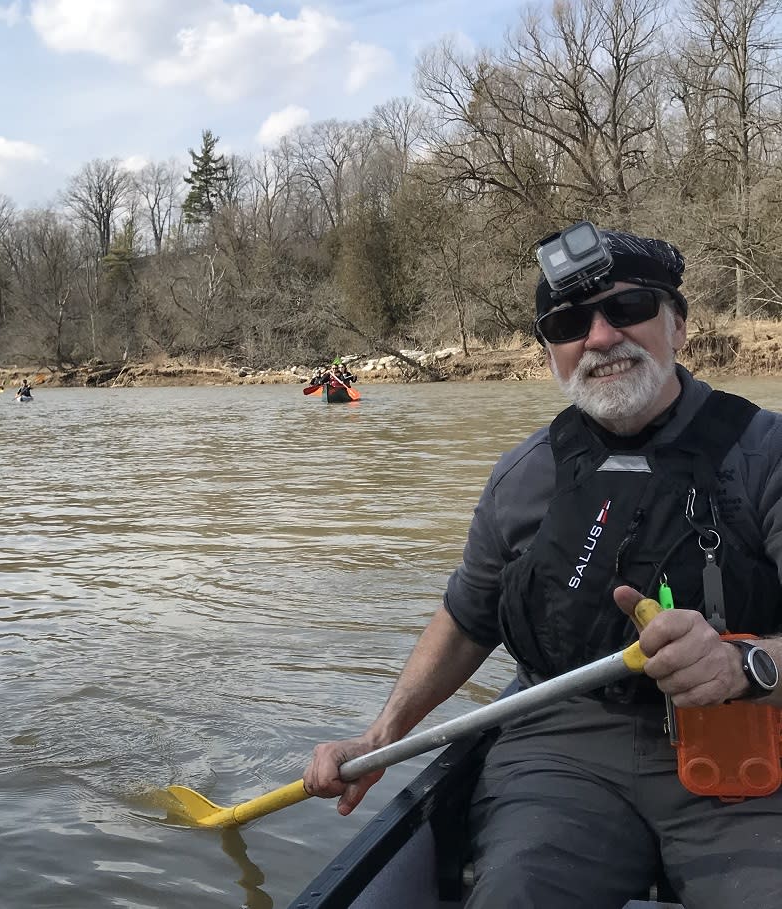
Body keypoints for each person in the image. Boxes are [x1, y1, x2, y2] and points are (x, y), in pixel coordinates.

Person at [302, 223, 782, 908]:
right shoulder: (521, 476)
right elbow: (466, 619)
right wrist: (379, 737)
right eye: (567, 323)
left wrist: (745, 665)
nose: (599, 337)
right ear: (551, 352)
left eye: (627, 308)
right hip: (563, 747)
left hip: (750, 741)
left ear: (677, 325)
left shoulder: (767, 454)